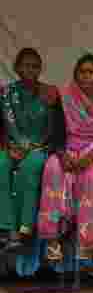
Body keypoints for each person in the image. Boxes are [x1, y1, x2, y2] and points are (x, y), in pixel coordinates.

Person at [37, 53, 93, 263]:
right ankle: (52, 240)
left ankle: (86, 242)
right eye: (82, 72)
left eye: (91, 72)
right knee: (52, 169)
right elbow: (56, 133)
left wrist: (89, 157)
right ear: (75, 74)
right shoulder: (65, 98)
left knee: (90, 177)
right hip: (68, 148)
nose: (85, 77)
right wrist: (62, 155)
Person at [0, 48, 59, 251]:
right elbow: (5, 124)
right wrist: (12, 146)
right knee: (1, 164)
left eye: (35, 66)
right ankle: (8, 228)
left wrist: (33, 147)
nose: (31, 70)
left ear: (40, 69)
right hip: (12, 146)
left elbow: (55, 127)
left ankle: (25, 228)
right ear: (16, 68)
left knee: (31, 166)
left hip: (39, 147)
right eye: (26, 65)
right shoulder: (6, 92)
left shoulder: (50, 93)